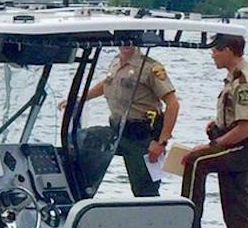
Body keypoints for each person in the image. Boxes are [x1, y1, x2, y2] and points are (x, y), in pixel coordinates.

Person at [180, 32, 248, 228]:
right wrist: (217, 124)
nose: (212, 54)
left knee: (196, 161)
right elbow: (238, 116)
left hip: (242, 146)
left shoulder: (244, 81)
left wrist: (212, 145)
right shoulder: (235, 77)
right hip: (236, 140)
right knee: (235, 205)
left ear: (228, 50)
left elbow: (245, 128)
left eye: (216, 50)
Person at [65, 39, 178, 197]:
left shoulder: (150, 68)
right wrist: (80, 99)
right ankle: (80, 194)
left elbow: (173, 105)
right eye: (123, 40)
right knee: (81, 140)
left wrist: (161, 142)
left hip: (142, 137)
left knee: (145, 192)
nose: (126, 44)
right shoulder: (116, 62)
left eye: (131, 41)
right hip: (117, 131)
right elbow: (107, 83)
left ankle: (151, 219)